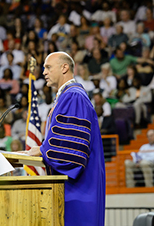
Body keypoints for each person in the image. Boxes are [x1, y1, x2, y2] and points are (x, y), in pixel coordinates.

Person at [27, 52, 105, 226]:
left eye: (48, 67)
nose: (44, 72)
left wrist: (42, 150)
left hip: (78, 191)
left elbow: (71, 148)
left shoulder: (74, 96)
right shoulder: (65, 97)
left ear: (65, 67)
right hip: (72, 189)